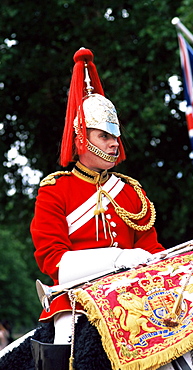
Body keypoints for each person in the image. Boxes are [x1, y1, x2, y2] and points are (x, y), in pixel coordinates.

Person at [30, 48, 165, 367]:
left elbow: (150, 247)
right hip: (75, 298)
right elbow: (54, 261)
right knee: (66, 344)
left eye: (115, 136)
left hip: (134, 293)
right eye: (104, 136)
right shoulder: (55, 189)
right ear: (81, 137)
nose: (115, 143)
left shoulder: (131, 190)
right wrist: (118, 258)